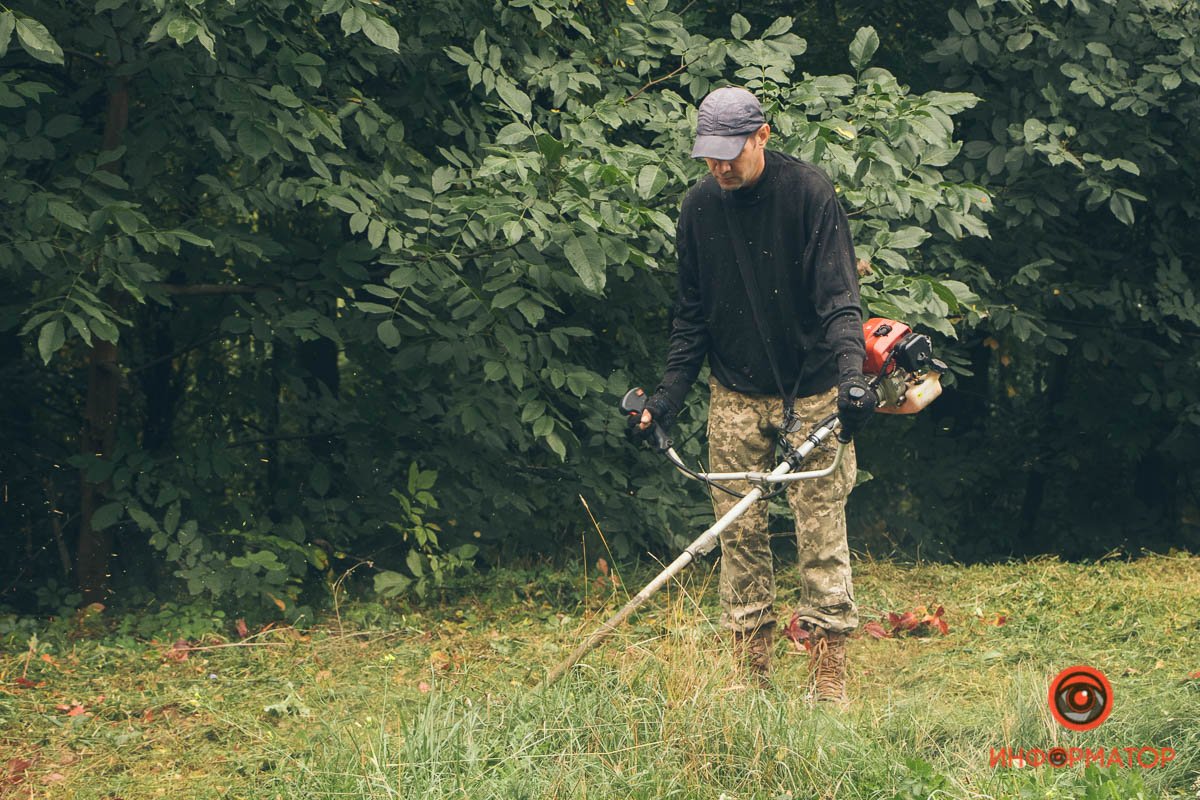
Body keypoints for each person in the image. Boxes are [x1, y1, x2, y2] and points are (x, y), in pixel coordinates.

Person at [632, 86, 876, 705]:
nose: (719, 166)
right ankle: (750, 679)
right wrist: (664, 400)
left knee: (821, 534)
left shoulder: (809, 194)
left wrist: (852, 377)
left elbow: (840, 301)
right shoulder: (698, 210)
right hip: (734, 394)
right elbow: (691, 320)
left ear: (762, 136)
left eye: (730, 153)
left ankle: (829, 678)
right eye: (708, 155)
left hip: (816, 390)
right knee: (737, 538)